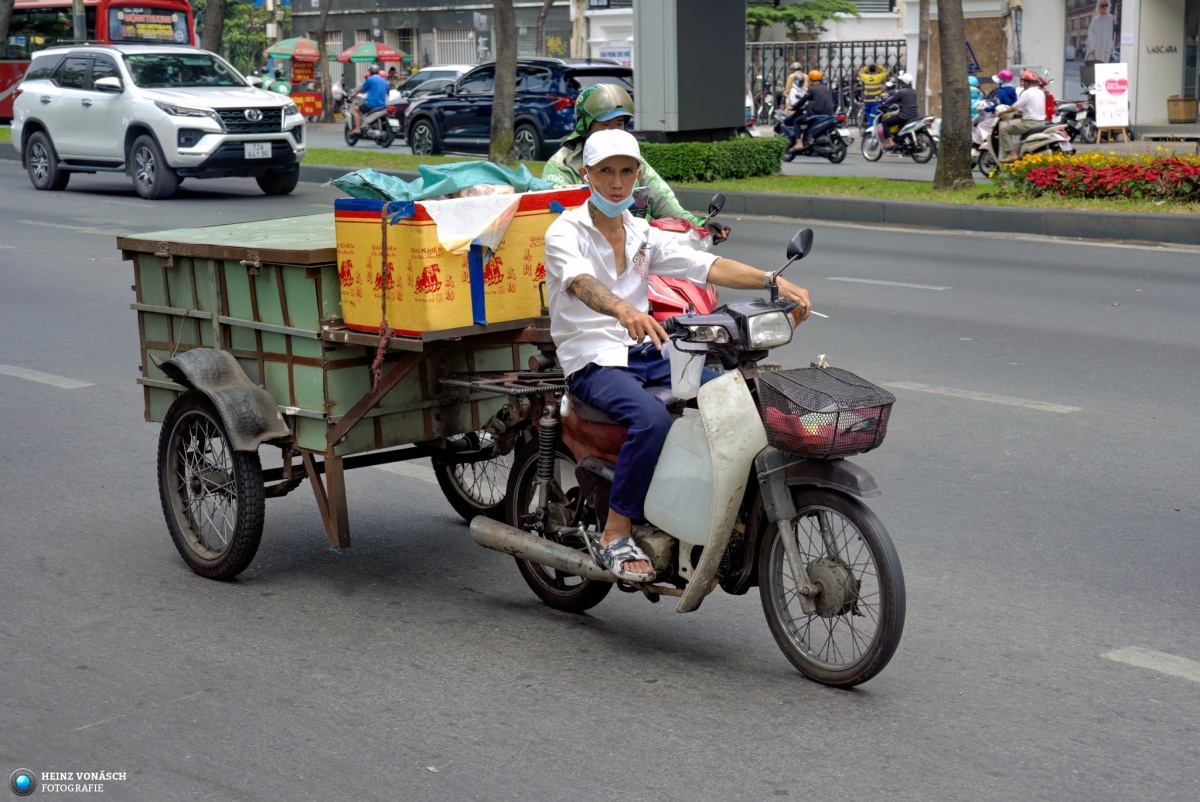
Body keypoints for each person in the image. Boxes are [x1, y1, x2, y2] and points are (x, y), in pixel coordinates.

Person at [543, 129, 812, 582]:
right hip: (593, 359)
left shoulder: (640, 231)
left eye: (626, 171)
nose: (616, 182)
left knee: (736, 399)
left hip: (646, 351)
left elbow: (705, 265)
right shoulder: (565, 231)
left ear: (637, 176)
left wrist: (772, 281)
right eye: (606, 171)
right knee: (651, 419)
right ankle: (615, 531)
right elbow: (580, 283)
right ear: (586, 174)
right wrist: (622, 308)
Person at [543, 85, 715, 233]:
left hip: (640, 251)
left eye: (619, 124)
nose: (614, 131)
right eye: (605, 125)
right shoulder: (561, 166)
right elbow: (560, 222)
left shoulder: (633, 158)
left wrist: (700, 226)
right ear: (585, 127)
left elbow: (665, 203)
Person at [999, 70, 1048, 163]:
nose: (1022, 83)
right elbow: (1033, 105)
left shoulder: (1027, 93)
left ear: (1027, 82)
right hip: (1041, 122)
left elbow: (1014, 107)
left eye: (1023, 81)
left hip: (1030, 123)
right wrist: (1023, 110)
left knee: (1004, 130)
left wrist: (1002, 113)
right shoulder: (1040, 92)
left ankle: (1011, 154)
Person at [788, 69, 833, 153]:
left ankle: (798, 143)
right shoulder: (825, 88)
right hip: (828, 114)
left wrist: (794, 107)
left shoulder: (812, 89)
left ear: (811, 79)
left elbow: (803, 100)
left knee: (796, 121)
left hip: (816, 114)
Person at [876, 72, 917, 149]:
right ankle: (899, 140)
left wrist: (882, 106)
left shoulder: (901, 92)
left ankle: (890, 142)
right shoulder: (914, 91)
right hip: (914, 116)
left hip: (904, 116)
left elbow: (891, 100)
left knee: (885, 122)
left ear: (902, 82)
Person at [351, 64, 389, 136]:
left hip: (372, 105)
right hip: (382, 105)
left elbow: (362, 89)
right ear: (378, 72)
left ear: (370, 72)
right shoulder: (384, 81)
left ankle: (357, 129)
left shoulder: (370, 80)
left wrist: (354, 94)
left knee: (355, 109)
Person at [858, 62, 889, 129]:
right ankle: (870, 128)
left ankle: (869, 124)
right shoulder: (878, 77)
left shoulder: (865, 77)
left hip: (866, 100)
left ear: (869, 70)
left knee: (867, 112)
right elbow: (886, 71)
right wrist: (878, 66)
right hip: (875, 100)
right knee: (873, 115)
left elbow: (860, 72)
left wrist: (867, 67)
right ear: (875, 70)